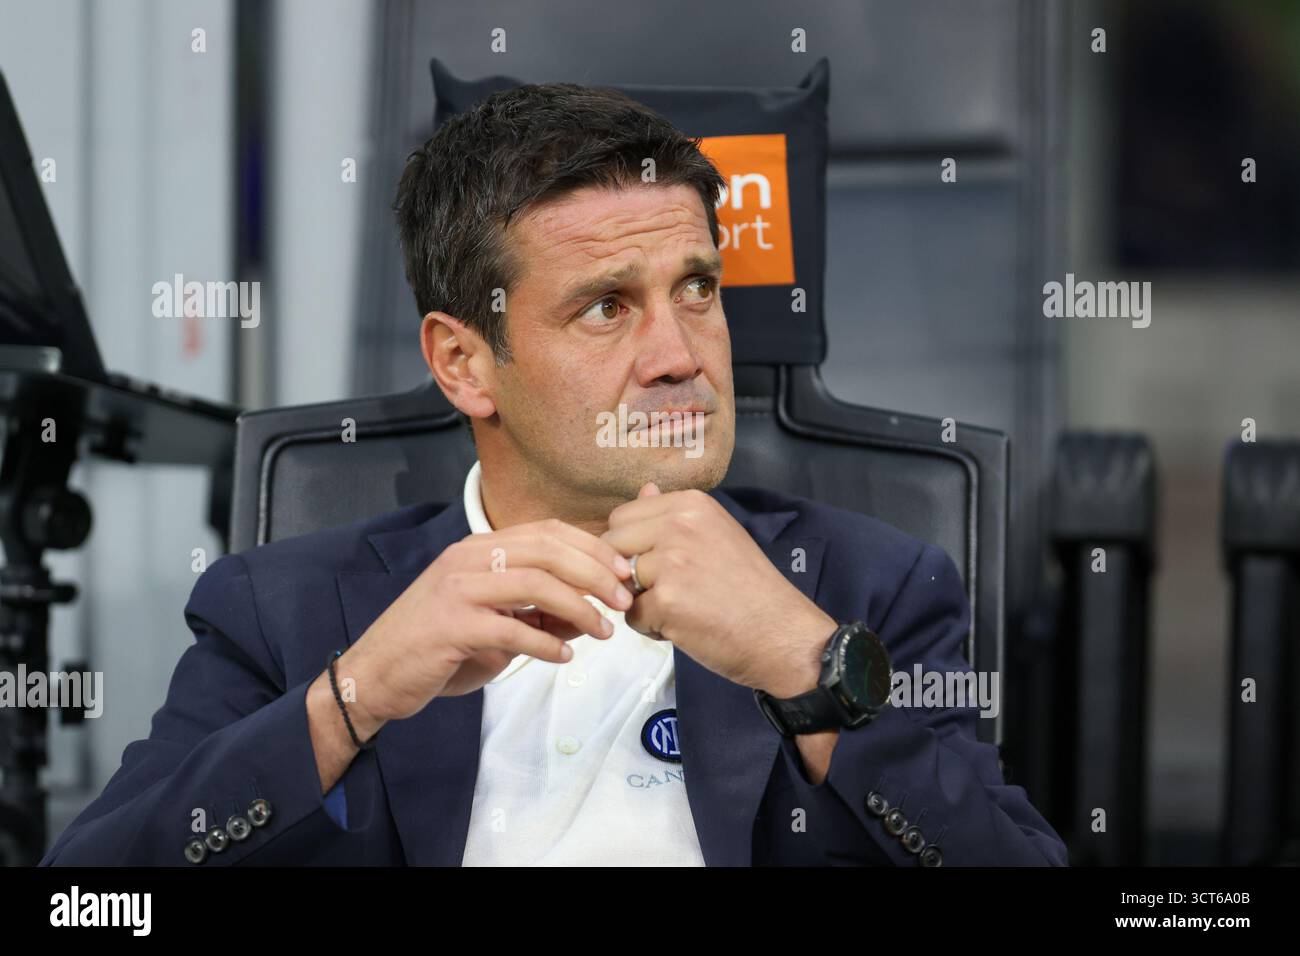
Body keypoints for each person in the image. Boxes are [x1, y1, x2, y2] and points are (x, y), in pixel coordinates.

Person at [41, 81, 1067, 867]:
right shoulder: (286, 608)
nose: (680, 352)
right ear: (462, 363)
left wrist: (810, 670)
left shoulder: (864, 590)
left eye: (697, 289)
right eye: (606, 306)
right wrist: (347, 701)